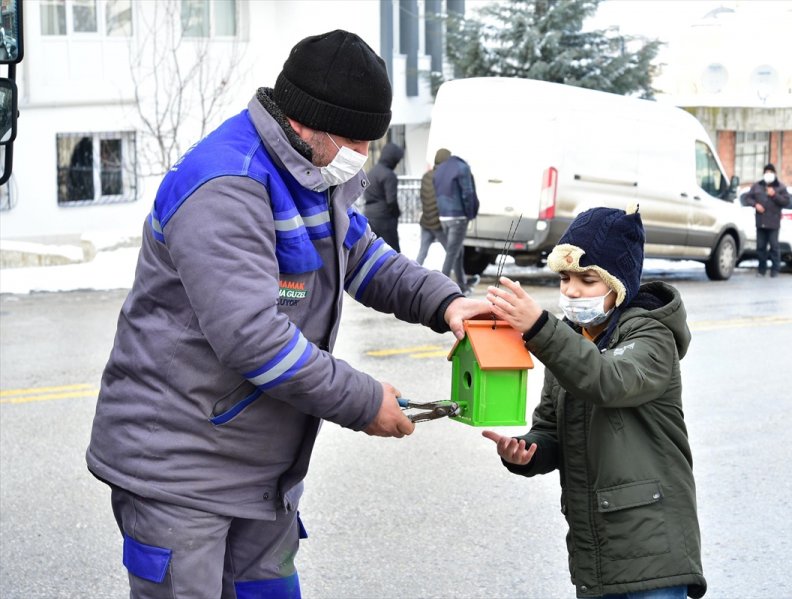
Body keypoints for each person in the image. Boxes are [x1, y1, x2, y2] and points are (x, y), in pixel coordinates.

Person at [85, 29, 489, 599]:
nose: (363, 156)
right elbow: (253, 339)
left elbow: (364, 257)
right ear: (307, 122)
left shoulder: (318, 172)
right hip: (181, 470)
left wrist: (445, 301)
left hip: (259, 470)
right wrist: (365, 400)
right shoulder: (227, 185)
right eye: (355, 140)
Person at [482, 206, 706, 599]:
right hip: (597, 552)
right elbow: (551, 427)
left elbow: (607, 380)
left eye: (587, 280)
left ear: (618, 284)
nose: (570, 290)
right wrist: (527, 453)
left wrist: (539, 327)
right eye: (565, 277)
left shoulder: (651, 336)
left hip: (652, 552)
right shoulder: (571, 340)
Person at [433, 148, 479, 293]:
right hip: (458, 216)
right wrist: (470, 213)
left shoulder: (441, 168)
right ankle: (442, 288)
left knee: (458, 251)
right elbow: (468, 192)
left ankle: (462, 284)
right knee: (452, 252)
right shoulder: (462, 168)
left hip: (444, 216)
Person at [740, 163, 790, 277]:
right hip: (760, 222)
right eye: (766, 172)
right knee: (760, 247)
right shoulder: (757, 186)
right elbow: (747, 198)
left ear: (774, 174)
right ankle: (761, 270)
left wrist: (774, 195)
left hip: (773, 222)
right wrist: (755, 204)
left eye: (770, 172)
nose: (768, 175)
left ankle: (775, 270)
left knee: (774, 247)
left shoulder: (780, 187)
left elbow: (786, 201)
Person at [363, 141, 404, 252]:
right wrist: (396, 214)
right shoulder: (389, 175)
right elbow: (391, 201)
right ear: (392, 159)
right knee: (392, 252)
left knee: (373, 251)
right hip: (384, 219)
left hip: (370, 216)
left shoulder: (371, 172)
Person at [415, 148, 449, 265]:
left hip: (425, 221)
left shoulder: (426, 176)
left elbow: (423, 197)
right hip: (438, 224)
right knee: (453, 253)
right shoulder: (444, 178)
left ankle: (412, 276)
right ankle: (460, 280)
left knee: (422, 253)